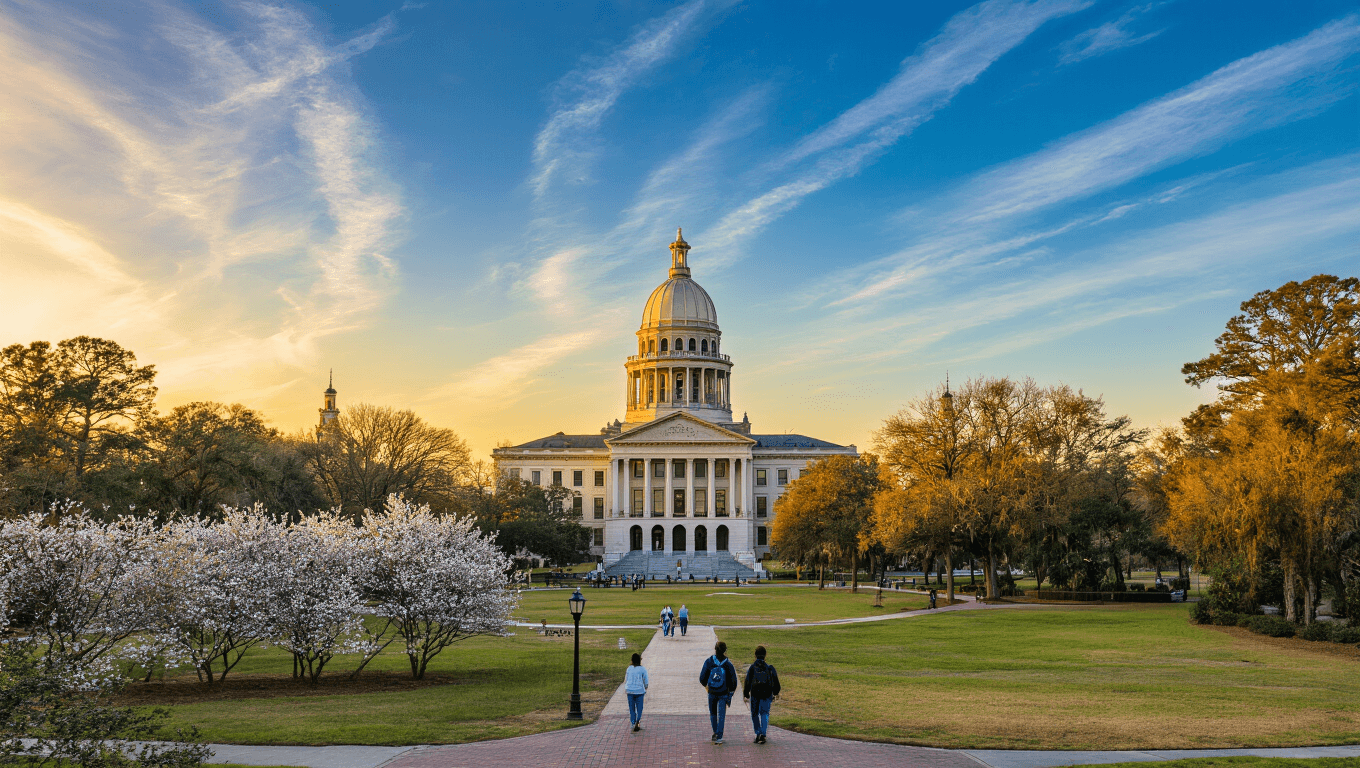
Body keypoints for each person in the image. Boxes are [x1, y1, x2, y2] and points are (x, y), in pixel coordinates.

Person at [698, 641, 738, 744]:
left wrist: (707, 686)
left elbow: (702, 678)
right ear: (725, 650)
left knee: (713, 713)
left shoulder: (709, 662)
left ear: (715, 649)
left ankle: (715, 732)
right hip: (723, 692)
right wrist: (730, 693)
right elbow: (733, 682)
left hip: (712, 691)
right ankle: (719, 736)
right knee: (722, 715)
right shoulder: (728, 664)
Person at [742, 645, 781, 744]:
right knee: (764, 713)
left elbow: (747, 681)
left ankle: (758, 732)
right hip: (766, 693)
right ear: (765, 655)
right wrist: (776, 692)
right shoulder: (769, 668)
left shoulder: (752, 667)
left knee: (754, 713)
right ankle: (763, 734)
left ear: (755, 655)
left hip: (755, 693)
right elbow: (776, 682)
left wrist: (746, 693)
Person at [625, 652, 649, 732]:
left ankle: (633, 722)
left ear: (631, 660)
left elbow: (627, 679)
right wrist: (646, 686)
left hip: (630, 690)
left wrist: (627, 687)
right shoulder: (642, 669)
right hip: (639, 691)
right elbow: (645, 679)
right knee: (639, 707)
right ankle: (638, 720)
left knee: (631, 708)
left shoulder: (629, 668)